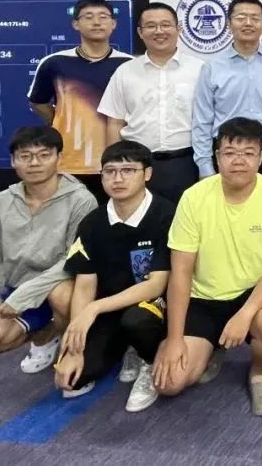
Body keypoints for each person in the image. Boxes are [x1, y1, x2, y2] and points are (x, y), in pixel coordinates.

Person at [154, 117, 262, 417]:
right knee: (169, 383)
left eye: (248, 153)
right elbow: (180, 272)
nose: (239, 160)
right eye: (230, 152)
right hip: (202, 298)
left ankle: (259, 372)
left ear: (261, 158)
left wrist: (245, 314)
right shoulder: (193, 198)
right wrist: (174, 339)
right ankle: (212, 347)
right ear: (217, 156)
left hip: (253, 294)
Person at [0, 126, 97, 373]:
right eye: (25, 156)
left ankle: (72, 344)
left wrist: (23, 297)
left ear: (59, 158)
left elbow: (73, 260)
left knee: (62, 297)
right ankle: (46, 335)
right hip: (18, 288)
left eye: (44, 155)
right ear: (13, 161)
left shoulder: (81, 200)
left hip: (59, 286)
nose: (34, 163)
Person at [53, 141, 174, 412]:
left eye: (128, 170)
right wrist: (73, 348)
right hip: (110, 307)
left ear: (147, 174)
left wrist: (94, 308)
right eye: (110, 171)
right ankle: (128, 347)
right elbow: (84, 285)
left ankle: (149, 359)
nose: (118, 179)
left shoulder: (166, 215)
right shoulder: (92, 222)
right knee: (71, 381)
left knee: (137, 320)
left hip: (153, 306)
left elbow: (156, 284)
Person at [28, 0, 133, 202]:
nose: (96, 22)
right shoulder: (55, 63)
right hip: (67, 163)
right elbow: (38, 102)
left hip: (116, 164)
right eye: (89, 17)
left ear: (113, 24)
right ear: (76, 24)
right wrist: (61, 120)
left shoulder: (128, 65)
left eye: (103, 17)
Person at [99, 2, 205, 205]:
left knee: (186, 219)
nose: (159, 31)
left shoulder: (199, 69)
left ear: (179, 29)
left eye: (165, 25)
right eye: (151, 26)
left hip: (186, 163)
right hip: (136, 164)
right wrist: (114, 165)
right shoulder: (125, 71)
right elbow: (114, 122)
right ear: (140, 32)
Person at [192, 0, 262, 186]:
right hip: (227, 152)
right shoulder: (212, 67)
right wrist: (205, 165)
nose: (248, 23)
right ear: (229, 24)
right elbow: (202, 121)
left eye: (255, 18)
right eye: (241, 18)